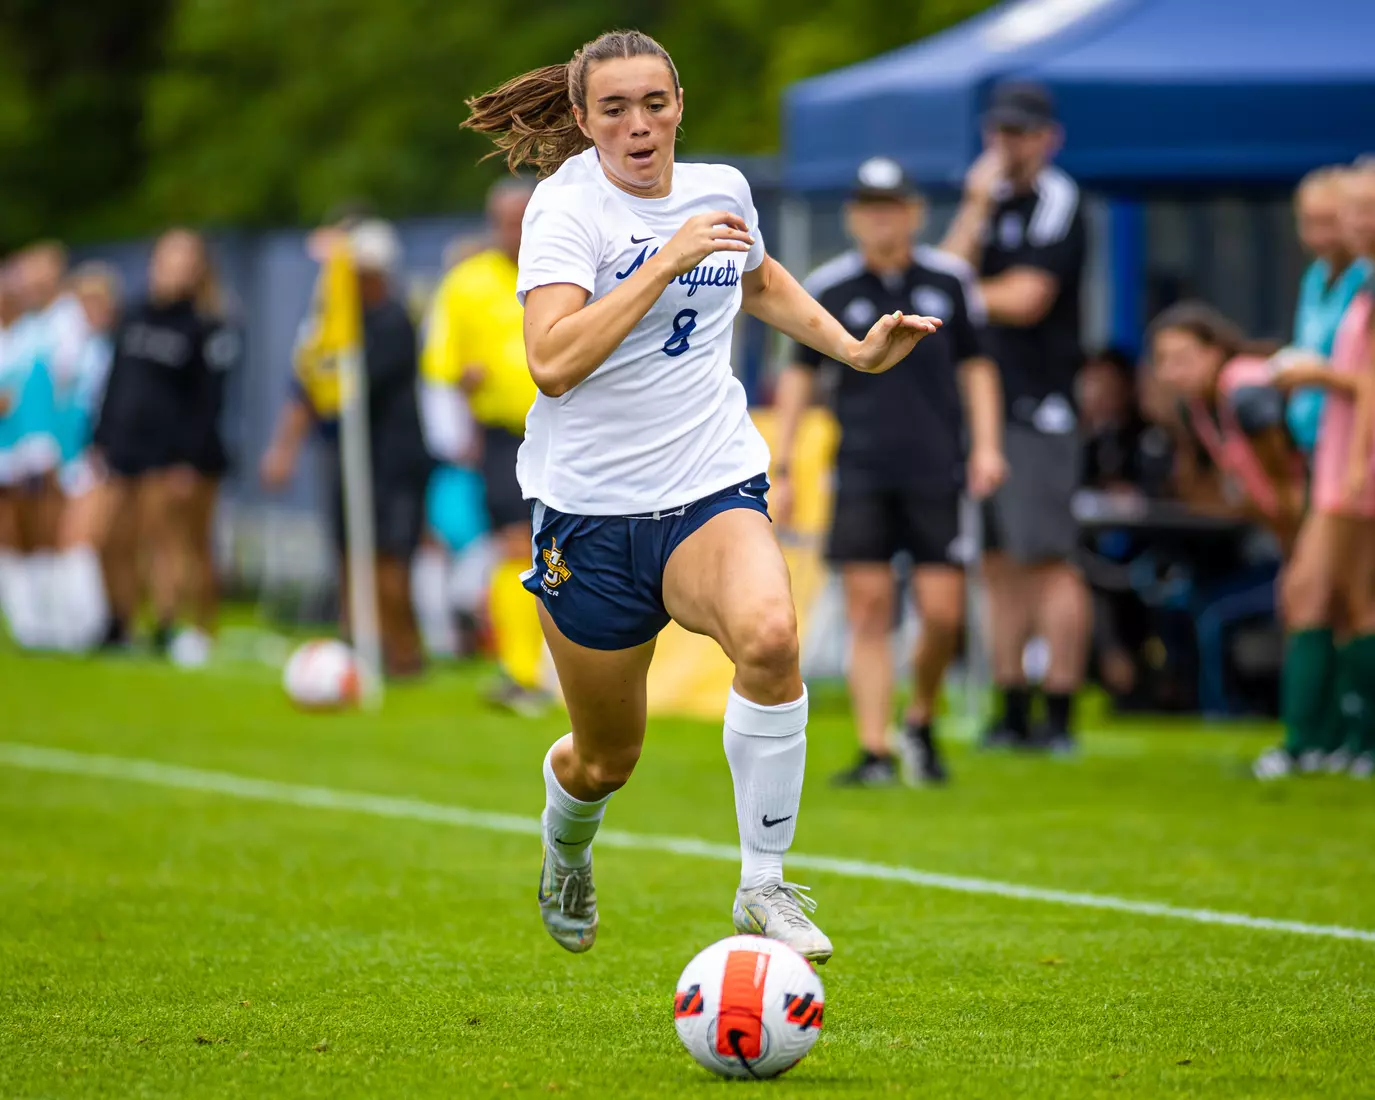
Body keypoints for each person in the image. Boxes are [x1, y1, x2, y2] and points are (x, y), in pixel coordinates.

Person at [462, 29, 942, 964]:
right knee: (605, 759)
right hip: (588, 513)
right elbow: (550, 362)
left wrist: (850, 349)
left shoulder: (720, 189)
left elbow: (757, 280)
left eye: (654, 103)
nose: (638, 126)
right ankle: (566, 846)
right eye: (614, 109)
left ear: (679, 104)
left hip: (708, 483)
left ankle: (762, 884)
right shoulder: (565, 208)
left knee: (769, 636)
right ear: (582, 119)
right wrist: (663, 262)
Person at [771, 156, 1004, 788]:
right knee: (869, 608)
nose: (882, 220)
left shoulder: (949, 280)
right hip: (862, 467)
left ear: (915, 213)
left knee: (943, 612)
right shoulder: (831, 285)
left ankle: (920, 718)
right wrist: (784, 466)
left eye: (893, 207)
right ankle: (875, 749)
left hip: (936, 466)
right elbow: (799, 375)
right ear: (853, 216)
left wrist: (986, 446)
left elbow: (977, 366)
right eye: (871, 208)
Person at [941, 82, 1091, 753]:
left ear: (1048, 139)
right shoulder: (989, 200)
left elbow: (1026, 298)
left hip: (1038, 407)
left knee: (1047, 560)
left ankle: (1059, 711)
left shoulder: (1058, 200)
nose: (1009, 146)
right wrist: (974, 204)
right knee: (998, 561)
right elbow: (944, 274)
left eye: (1022, 133)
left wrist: (963, 293)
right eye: (1000, 132)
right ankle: (1011, 708)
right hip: (984, 406)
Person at [261, 219, 433, 678]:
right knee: (351, 551)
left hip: (393, 460)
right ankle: (357, 640)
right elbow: (311, 383)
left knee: (390, 556)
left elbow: (350, 386)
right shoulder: (339, 323)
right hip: (353, 457)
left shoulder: (393, 321)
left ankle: (403, 652)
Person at [1262, 163, 1375, 778]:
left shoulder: (1366, 282)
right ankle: (1335, 737)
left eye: (1359, 211)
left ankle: (1331, 739)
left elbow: (1367, 383)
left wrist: (1355, 463)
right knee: (1330, 597)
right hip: (1329, 455)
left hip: (1354, 463)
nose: (1347, 226)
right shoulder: (1339, 281)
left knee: (1335, 595)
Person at [422, 177, 550, 713]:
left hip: (573, 429)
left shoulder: (566, 269)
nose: (515, 232)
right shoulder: (465, 283)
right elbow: (440, 364)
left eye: (524, 220)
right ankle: (521, 671)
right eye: (506, 221)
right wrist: (461, 401)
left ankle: (559, 667)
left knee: (566, 548)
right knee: (516, 543)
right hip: (505, 436)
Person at [94, 230, 238, 661]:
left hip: (174, 452)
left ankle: (174, 624)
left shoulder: (206, 324)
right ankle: (121, 622)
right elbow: (116, 380)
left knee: (172, 541)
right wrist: (101, 438)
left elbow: (208, 399)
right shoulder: (134, 315)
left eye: (182, 260)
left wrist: (187, 458)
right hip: (125, 447)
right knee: (113, 537)